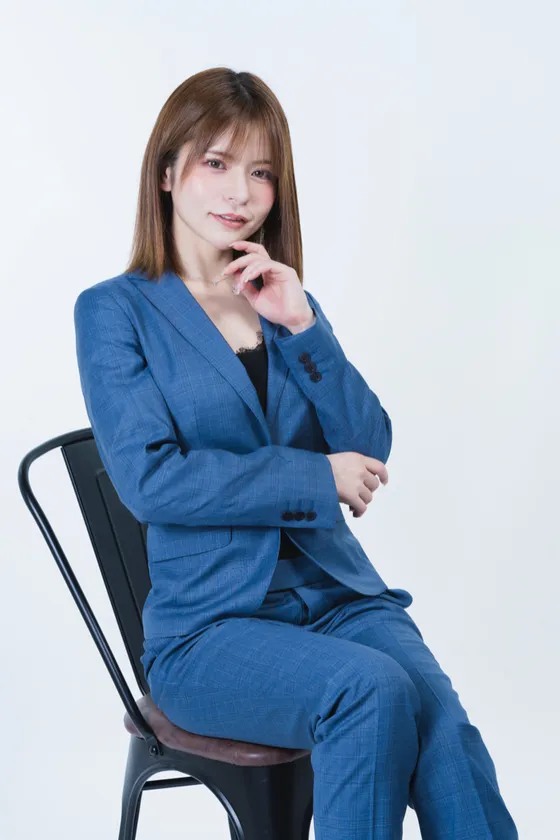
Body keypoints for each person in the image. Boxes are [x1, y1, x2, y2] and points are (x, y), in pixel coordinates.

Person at [73, 67, 518, 839]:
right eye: (217, 163)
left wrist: (303, 325)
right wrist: (313, 477)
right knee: (370, 691)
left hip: (337, 597)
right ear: (168, 172)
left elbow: (367, 446)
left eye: (261, 173)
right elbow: (151, 480)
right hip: (210, 630)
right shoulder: (115, 311)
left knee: (444, 727)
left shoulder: (282, 298)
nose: (240, 192)